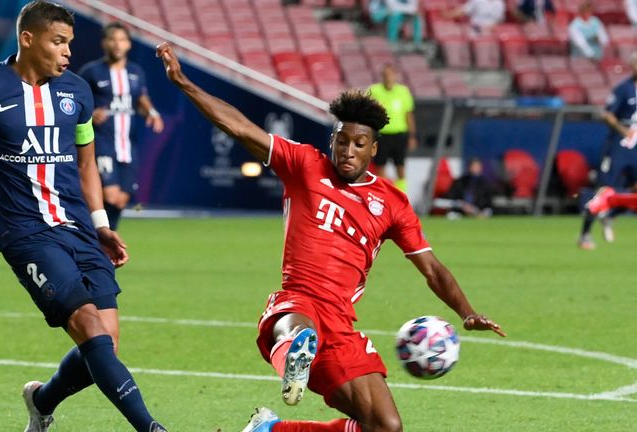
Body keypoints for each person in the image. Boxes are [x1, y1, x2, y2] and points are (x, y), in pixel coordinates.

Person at [157, 41, 505, 432]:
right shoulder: (305, 165)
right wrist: (185, 83)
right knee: (298, 329)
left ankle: (269, 429)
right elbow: (239, 127)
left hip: (341, 323)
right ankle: (295, 354)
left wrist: (466, 311)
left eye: (359, 144)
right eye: (342, 140)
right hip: (298, 300)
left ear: (373, 148)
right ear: (332, 140)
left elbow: (431, 268)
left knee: (385, 427)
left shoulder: (392, 203)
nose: (348, 151)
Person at [0, 2, 167, 431]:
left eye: (69, 44)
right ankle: (152, 427)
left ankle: (41, 401)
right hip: (25, 232)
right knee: (90, 328)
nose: (67, 53)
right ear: (28, 39)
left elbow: (87, 162)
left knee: (106, 341)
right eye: (58, 42)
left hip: (78, 227)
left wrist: (100, 224)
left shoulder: (77, 90)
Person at [78, 22, 163, 231]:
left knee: (121, 200)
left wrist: (151, 113)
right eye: (112, 39)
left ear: (129, 45)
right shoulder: (91, 72)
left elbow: (141, 99)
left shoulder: (135, 72)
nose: (117, 44)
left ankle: (104, 241)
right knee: (110, 195)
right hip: (102, 143)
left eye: (122, 40)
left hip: (128, 145)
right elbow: (75, 102)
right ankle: (95, 237)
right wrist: (89, 115)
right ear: (104, 43)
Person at [578, 52, 637, 250]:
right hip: (618, 146)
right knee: (603, 190)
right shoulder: (624, 89)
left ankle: (610, 215)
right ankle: (585, 234)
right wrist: (623, 130)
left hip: (636, 147)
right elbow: (608, 115)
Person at [367, 63, 416, 191]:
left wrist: (412, 136)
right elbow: (367, 112)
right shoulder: (374, 91)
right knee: (380, 167)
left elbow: (408, 114)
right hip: (381, 134)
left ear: (395, 76)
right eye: (385, 75)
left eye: (390, 75)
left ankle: (402, 196)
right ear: (382, 76)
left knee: (400, 166)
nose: (388, 78)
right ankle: (382, 195)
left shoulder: (403, 91)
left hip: (399, 135)